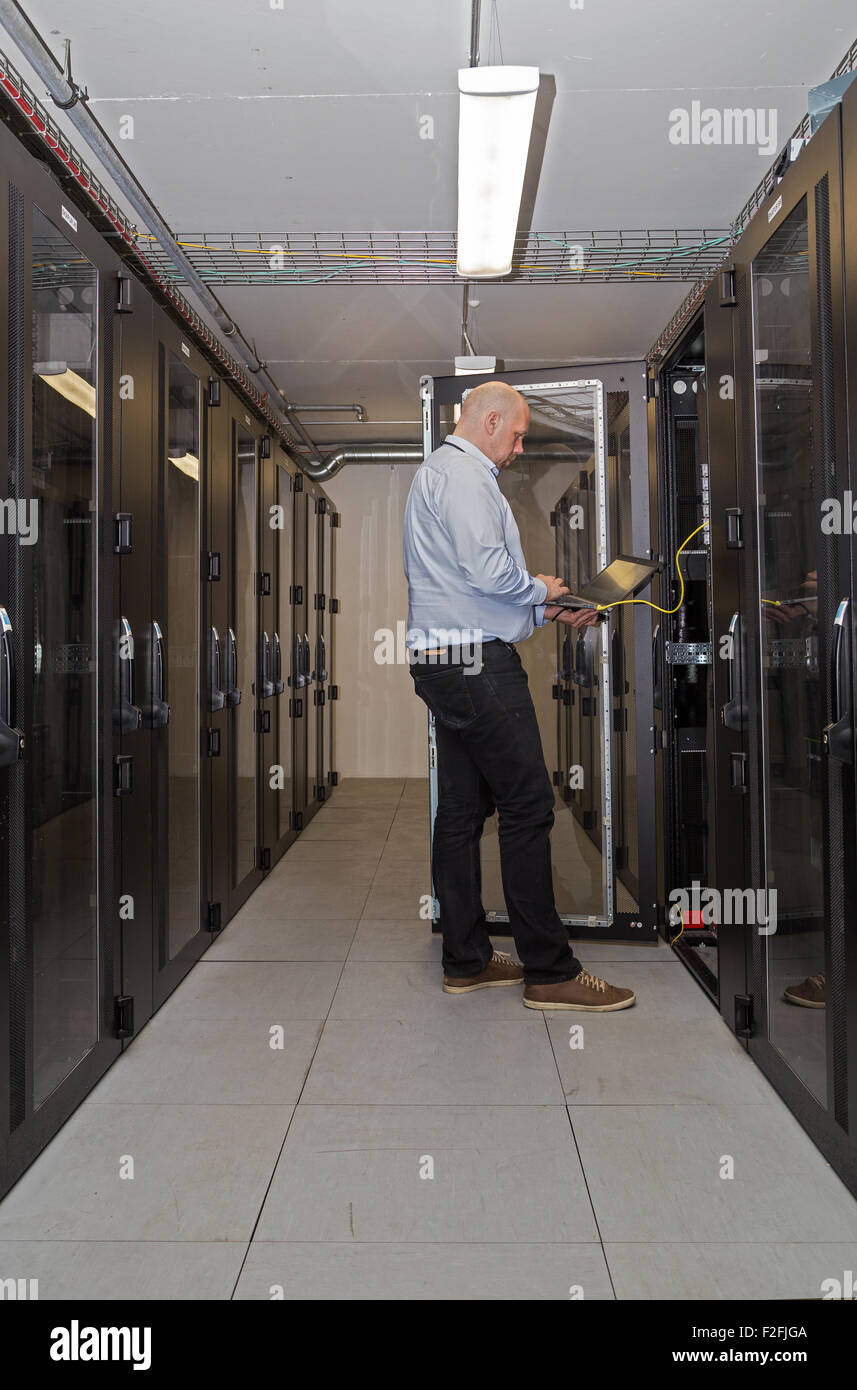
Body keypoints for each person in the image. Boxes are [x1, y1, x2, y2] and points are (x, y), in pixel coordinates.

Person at [402, 379, 635, 1011]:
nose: (518, 445)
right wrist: (540, 589)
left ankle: (467, 960)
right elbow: (489, 573)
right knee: (529, 807)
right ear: (490, 420)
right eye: (517, 433)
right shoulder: (467, 477)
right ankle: (549, 971)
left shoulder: (438, 475)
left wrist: (549, 611)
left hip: (446, 660)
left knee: (459, 813)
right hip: (478, 668)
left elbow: (468, 590)